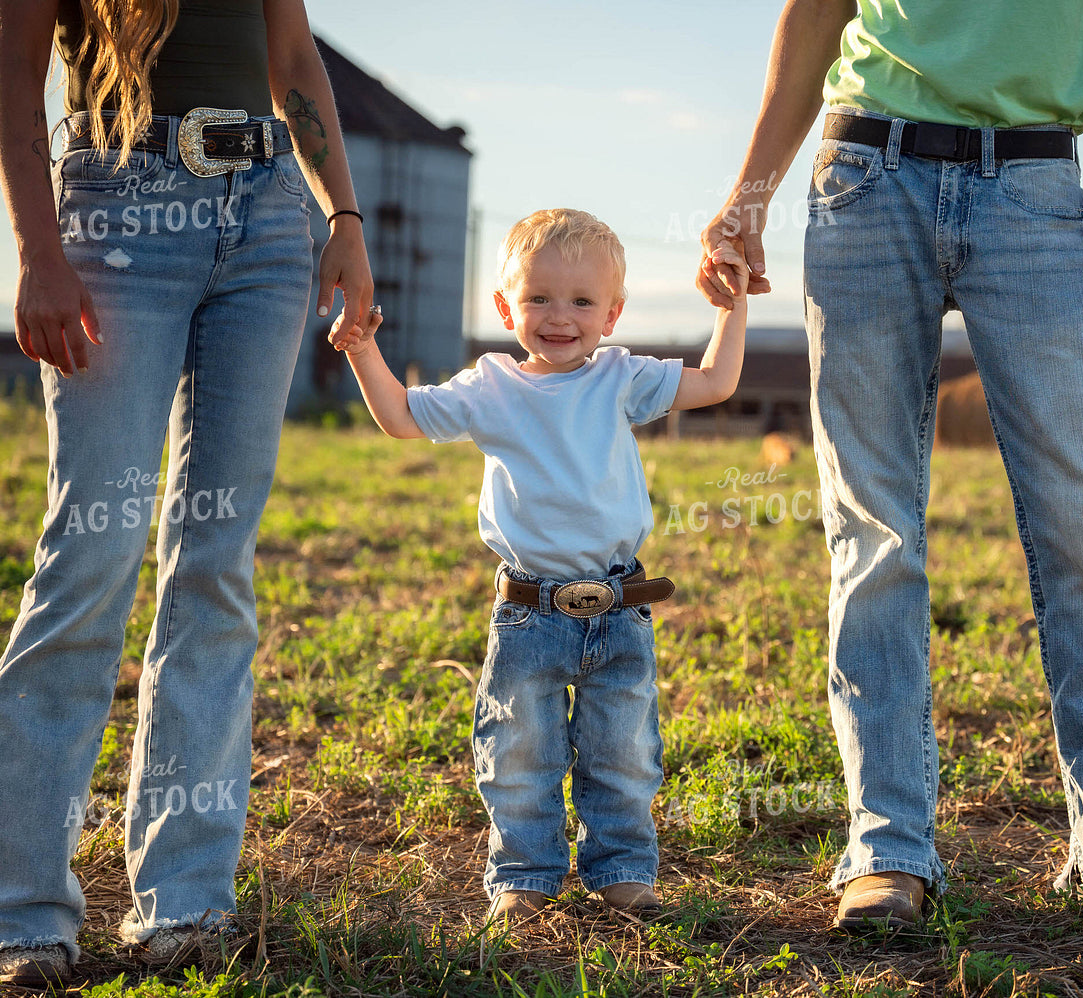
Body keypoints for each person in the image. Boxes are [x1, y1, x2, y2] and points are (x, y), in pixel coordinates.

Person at [695, 0, 1083, 937]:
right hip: (866, 171)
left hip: (1035, 182)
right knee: (874, 533)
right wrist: (750, 192)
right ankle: (887, 849)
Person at [0, 0, 372, 986]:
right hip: (118, 205)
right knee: (89, 557)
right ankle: (21, 910)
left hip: (267, 214)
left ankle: (186, 901)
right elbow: (13, 68)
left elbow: (293, 57)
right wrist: (37, 249)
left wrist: (343, 215)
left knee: (216, 567)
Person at [332, 208, 748, 922]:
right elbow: (400, 416)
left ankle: (623, 870)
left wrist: (731, 309)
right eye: (539, 298)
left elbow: (715, 382)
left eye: (582, 301)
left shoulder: (620, 377)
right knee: (519, 754)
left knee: (624, 754)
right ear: (506, 308)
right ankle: (524, 875)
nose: (560, 317)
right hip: (529, 613)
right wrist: (363, 349)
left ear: (612, 314)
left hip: (620, 607)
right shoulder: (490, 386)